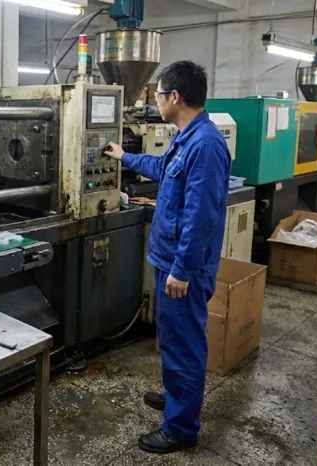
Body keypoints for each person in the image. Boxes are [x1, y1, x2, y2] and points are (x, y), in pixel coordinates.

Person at [104, 61, 231, 454]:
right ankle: (178, 396)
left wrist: (183, 270)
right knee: (173, 340)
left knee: (184, 345)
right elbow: (161, 167)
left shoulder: (205, 145)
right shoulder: (186, 138)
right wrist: (124, 156)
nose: (156, 101)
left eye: (159, 94)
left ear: (175, 97)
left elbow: (200, 217)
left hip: (182, 268)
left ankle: (180, 427)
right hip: (168, 260)